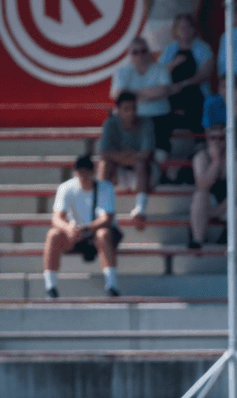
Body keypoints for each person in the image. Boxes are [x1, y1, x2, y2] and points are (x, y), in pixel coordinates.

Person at [43, 156, 122, 298]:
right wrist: (68, 228)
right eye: (80, 173)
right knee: (53, 235)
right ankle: (51, 287)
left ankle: (111, 285)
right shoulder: (66, 188)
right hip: (76, 235)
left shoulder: (105, 188)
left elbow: (107, 217)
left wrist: (88, 228)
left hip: (100, 233)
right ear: (75, 173)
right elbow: (56, 217)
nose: (84, 177)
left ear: (93, 173)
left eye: (87, 173)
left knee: (103, 234)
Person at [98, 92, 155, 225]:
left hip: (143, 175)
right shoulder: (110, 123)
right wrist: (130, 156)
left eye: (134, 108)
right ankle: (101, 208)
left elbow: (147, 154)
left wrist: (119, 156)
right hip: (117, 174)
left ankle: (140, 208)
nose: (131, 113)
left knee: (141, 164)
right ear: (118, 110)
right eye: (126, 109)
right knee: (104, 164)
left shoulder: (146, 122)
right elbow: (104, 152)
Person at [189, 125, 237, 250]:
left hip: (232, 203)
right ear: (207, 139)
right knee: (199, 196)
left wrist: (219, 210)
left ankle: (234, 255)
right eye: (213, 138)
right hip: (210, 201)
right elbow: (202, 185)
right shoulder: (201, 157)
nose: (217, 142)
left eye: (221, 138)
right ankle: (198, 240)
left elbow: (236, 192)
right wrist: (216, 162)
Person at [111, 38, 175, 154]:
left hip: (158, 118)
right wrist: (150, 94)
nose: (140, 55)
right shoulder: (122, 72)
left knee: (159, 153)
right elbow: (119, 95)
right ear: (129, 54)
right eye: (135, 52)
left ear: (148, 52)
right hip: (130, 119)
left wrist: (132, 93)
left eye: (143, 51)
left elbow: (164, 90)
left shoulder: (160, 69)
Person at [158, 14, 215, 132]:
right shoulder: (170, 49)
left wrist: (183, 84)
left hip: (197, 97)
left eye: (187, 27)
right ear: (176, 30)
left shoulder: (203, 48)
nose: (184, 31)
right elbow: (159, 74)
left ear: (193, 29)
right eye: (181, 27)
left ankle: (199, 144)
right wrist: (173, 64)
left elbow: (205, 73)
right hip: (173, 96)